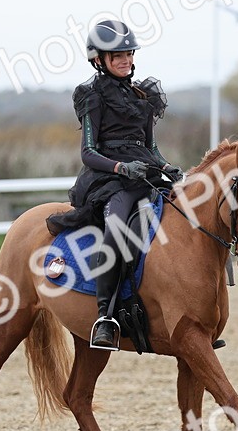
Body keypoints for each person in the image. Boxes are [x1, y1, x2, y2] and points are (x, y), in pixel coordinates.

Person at [47, 19, 184, 351]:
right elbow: (88, 153)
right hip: (109, 182)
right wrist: (123, 167)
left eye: (128, 53)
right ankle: (105, 317)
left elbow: (149, 148)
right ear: (99, 59)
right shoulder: (91, 96)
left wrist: (168, 167)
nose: (125, 59)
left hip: (146, 176)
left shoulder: (143, 95)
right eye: (116, 55)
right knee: (117, 229)